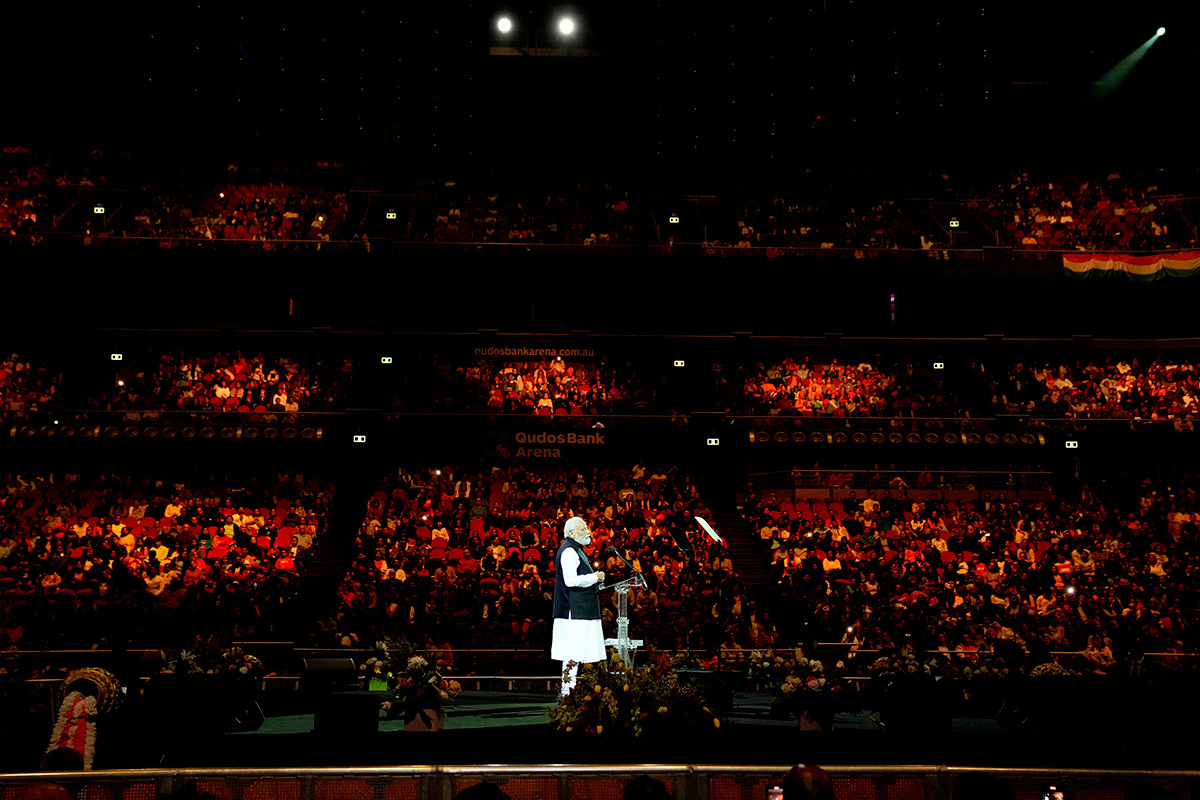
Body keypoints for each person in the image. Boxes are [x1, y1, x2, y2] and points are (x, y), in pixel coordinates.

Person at [552, 516, 605, 696]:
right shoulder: (569, 551)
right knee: (572, 653)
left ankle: (571, 693)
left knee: (577, 652)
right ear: (572, 533)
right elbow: (571, 580)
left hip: (581, 610)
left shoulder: (577, 549)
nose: (588, 531)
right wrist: (594, 577)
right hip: (573, 611)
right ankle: (567, 694)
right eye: (583, 529)